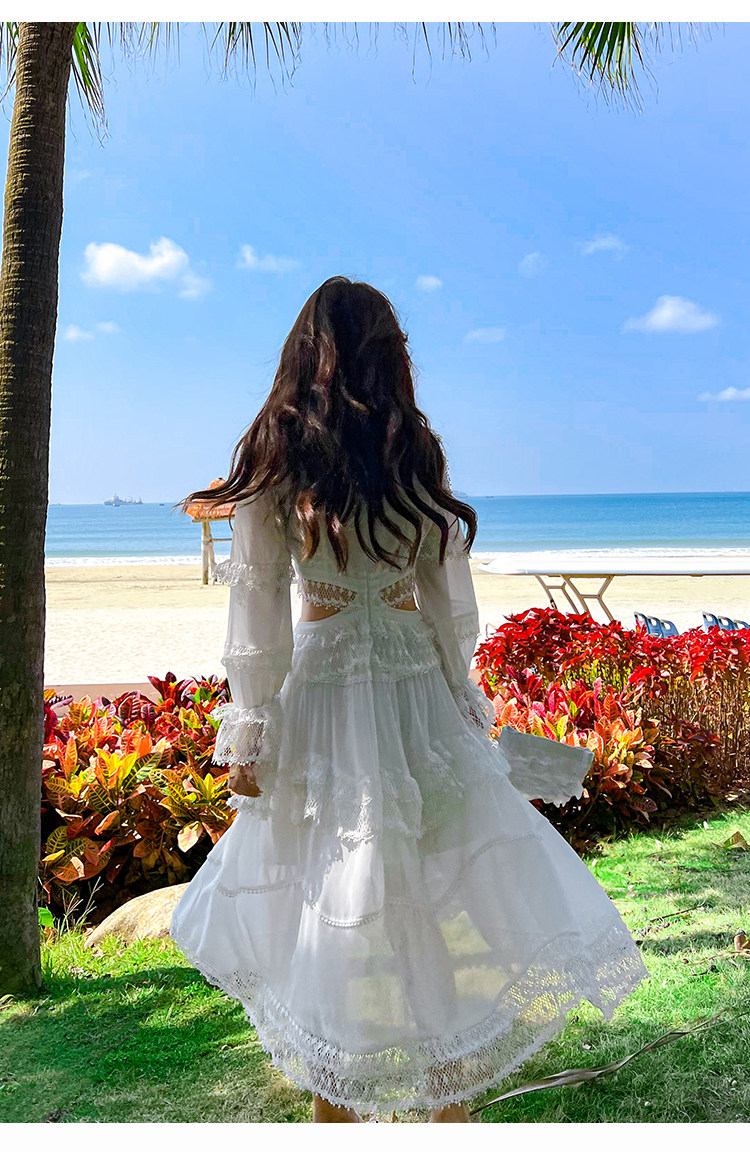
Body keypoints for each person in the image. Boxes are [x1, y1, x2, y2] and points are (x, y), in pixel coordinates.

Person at [170, 276, 648, 1123]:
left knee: (329, 895)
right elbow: (448, 606)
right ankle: (440, 1106)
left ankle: (350, 1105)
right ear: (390, 356)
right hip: (412, 686)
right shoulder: (410, 451)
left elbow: (258, 615)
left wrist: (253, 730)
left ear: (303, 355)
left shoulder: (281, 456)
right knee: (428, 896)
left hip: (325, 693)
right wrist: (460, 697)